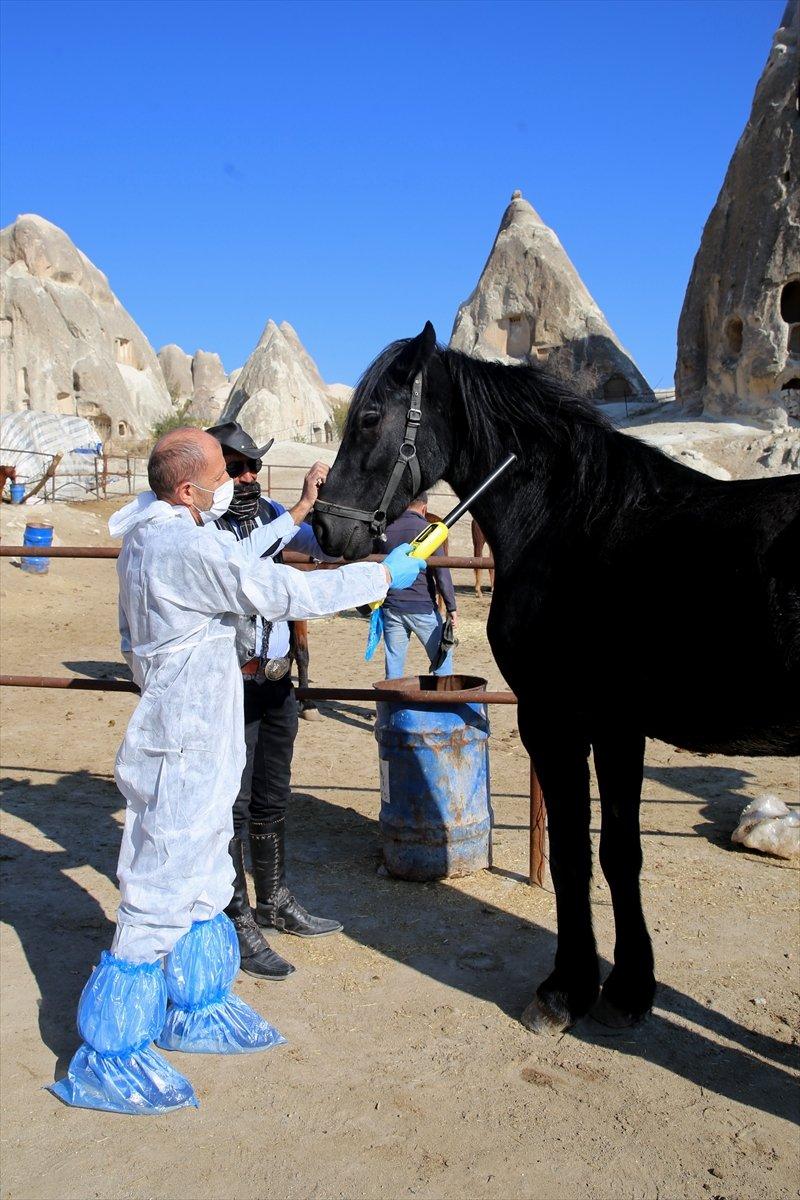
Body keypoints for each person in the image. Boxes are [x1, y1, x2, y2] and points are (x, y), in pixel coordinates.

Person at [50, 427, 426, 1116]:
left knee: (204, 872)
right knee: (161, 881)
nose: (232, 481)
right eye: (222, 472)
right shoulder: (181, 546)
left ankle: (196, 1003)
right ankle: (111, 1051)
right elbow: (276, 589)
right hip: (182, 740)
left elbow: (235, 560)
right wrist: (380, 576)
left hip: (201, 731)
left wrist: (299, 515)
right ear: (188, 489)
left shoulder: (162, 531)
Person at [206, 421, 339, 982]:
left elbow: (319, 545)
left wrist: (332, 507)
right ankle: (236, 916)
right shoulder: (204, 528)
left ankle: (275, 899)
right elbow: (241, 562)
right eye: (235, 468)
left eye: (252, 466)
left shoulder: (271, 515)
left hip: (276, 683)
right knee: (234, 803)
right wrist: (302, 508)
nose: (248, 477)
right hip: (232, 685)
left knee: (272, 794)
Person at [382, 493, 458, 679]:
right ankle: (442, 695)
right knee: (442, 659)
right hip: (422, 607)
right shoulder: (428, 532)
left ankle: (391, 698)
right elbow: (441, 572)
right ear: (424, 508)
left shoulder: (387, 529)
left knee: (394, 666)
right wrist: (451, 606)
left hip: (392, 607)